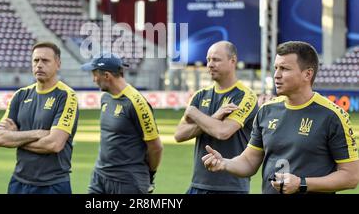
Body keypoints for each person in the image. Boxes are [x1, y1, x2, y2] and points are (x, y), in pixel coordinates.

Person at [202, 41, 359, 194]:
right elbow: (249, 161)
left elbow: (351, 177)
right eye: (276, 68)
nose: (276, 75)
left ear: (307, 74)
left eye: (284, 69)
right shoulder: (266, 111)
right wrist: (225, 163)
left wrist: (301, 184)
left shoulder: (332, 116)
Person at [174, 41, 258, 194]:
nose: (210, 64)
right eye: (208, 60)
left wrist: (193, 113)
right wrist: (214, 117)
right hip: (198, 185)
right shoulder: (200, 95)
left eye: (216, 60)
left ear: (233, 61)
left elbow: (223, 132)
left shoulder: (245, 96)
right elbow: (179, 135)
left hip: (231, 187)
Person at [0, 42, 79, 194]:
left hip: (52, 185)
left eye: (45, 61)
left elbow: (54, 144)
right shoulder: (20, 95)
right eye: (36, 60)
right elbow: (1, 138)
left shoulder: (66, 96)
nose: (39, 65)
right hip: (18, 182)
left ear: (58, 64)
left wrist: (16, 138)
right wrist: (37, 133)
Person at [81, 53, 163, 194]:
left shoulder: (137, 103)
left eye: (95, 74)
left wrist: (149, 175)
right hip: (99, 177)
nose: (94, 79)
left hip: (128, 181)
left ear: (107, 75)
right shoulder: (106, 98)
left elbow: (156, 147)